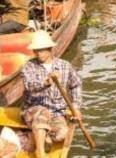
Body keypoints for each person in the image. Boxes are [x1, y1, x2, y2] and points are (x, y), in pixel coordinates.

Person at [20, 30, 82, 158]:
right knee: (42, 114)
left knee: (63, 134)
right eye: (36, 50)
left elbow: (76, 84)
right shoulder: (29, 66)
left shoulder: (64, 66)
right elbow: (29, 86)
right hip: (34, 110)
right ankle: (41, 153)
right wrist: (45, 83)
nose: (38, 53)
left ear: (50, 49)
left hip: (56, 112)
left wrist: (76, 107)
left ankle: (39, 135)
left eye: (42, 50)